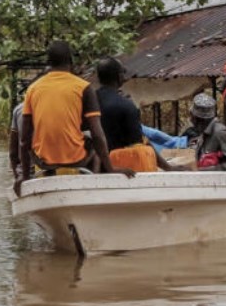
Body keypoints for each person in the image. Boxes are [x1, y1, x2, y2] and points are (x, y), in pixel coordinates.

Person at [13, 41, 135, 195]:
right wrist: (111, 168)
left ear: (48, 63)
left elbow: (24, 140)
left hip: (43, 162)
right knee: (93, 136)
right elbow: (97, 134)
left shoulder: (33, 89)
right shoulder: (83, 87)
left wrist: (24, 176)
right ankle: (94, 182)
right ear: (71, 62)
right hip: (76, 160)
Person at [94, 57, 178, 172]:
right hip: (122, 171)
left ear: (98, 77)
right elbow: (140, 144)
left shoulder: (89, 102)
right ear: (119, 76)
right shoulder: (125, 105)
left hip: (91, 169)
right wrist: (168, 168)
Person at [182, 93, 226, 170]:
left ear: (197, 119)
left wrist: (209, 170)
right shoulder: (204, 133)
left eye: (192, 117)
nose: (191, 121)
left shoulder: (221, 133)